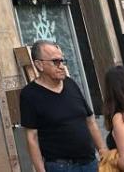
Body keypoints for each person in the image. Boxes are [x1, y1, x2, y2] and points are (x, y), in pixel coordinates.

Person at [20, 40, 104, 172]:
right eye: (56, 61)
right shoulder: (29, 94)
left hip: (90, 163)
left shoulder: (70, 84)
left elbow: (90, 120)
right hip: (60, 167)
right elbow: (32, 137)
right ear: (39, 65)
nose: (62, 66)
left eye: (62, 61)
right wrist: (40, 170)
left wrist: (103, 151)